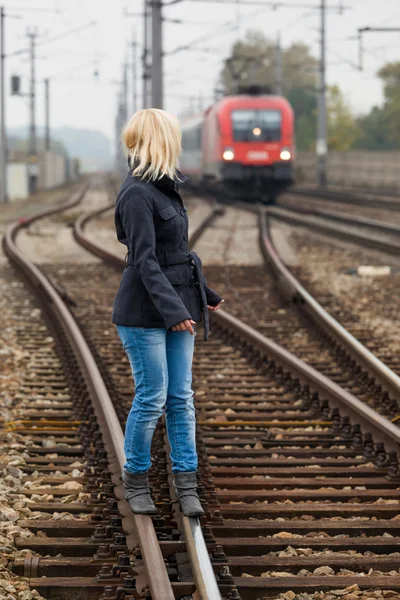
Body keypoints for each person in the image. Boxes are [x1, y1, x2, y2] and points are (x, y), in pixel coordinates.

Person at [112, 108, 223, 517]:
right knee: (152, 397)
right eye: (172, 137)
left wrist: (205, 293)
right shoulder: (137, 193)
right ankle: (136, 479)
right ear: (162, 140)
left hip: (177, 306)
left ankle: (186, 482)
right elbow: (144, 260)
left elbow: (174, 254)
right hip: (144, 313)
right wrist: (176, 311)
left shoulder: (164, 188)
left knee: (181, 397)